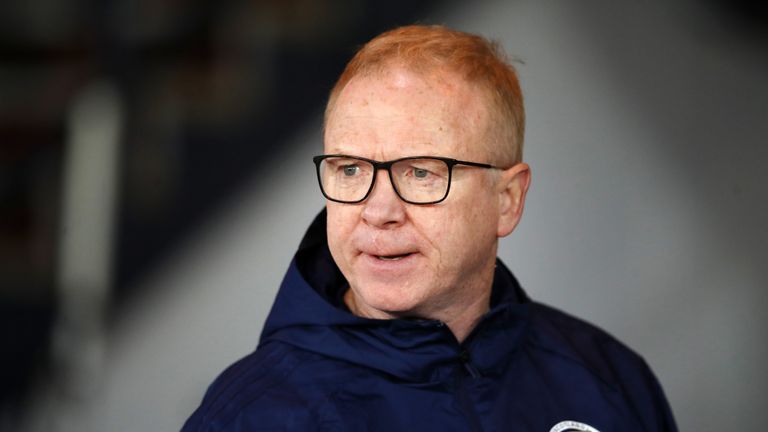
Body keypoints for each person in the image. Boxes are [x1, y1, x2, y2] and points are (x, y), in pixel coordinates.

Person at [182, 25, 677, 432]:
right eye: (350, 169)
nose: (378, 211)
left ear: (507, 200)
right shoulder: (250, 418)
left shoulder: (609, 380)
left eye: (420, 172)